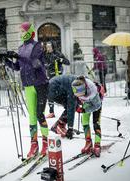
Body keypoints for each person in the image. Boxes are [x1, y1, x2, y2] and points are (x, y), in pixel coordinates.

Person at [5, 22, 49, 158]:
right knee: (32, 116)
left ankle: (45, 144)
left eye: (23, 31)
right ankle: (34, 144)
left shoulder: (37, 46)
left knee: (39, 114)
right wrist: (6, 61)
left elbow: (35, 62)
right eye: (21, 31)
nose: (21, 33)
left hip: (40, 84)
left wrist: (19, 57)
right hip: (28, 85)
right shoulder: (20, 48)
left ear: (29, 32)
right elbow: (18, 67)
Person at [71, 76, 104, 157]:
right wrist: (77, 106)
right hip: (87, 102)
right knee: (85, 122)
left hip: (96, 102)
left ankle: (97, 145)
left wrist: (84, 110)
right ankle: (88, 142)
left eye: (80, 94)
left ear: (85, 89)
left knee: (96, 123)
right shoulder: (77, 86)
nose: (79, 95)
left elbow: (97, 106)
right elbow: (75, 98)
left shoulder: (93, 90)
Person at [45, 41, 70, 119]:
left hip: (58, 77)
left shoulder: (58, 53)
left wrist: (60, 60)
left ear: (53, 47)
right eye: (47, 46)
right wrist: (46, 65)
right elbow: (44, 64)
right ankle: (51, 112)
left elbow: (67, 62)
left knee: (62, 93)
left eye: (49, 47)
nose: (48, 48)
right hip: (50, 76)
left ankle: (68, 108)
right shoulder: (46, 54)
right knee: (49, 94)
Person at [48, 75, 77, 139]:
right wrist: (70, 128)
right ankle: (59, 126)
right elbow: (71, 107)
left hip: (55, 87)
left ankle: (59, 125)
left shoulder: (79, 82)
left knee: (73, 105)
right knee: (72, 106)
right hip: (54, 90)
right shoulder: (75, 87)